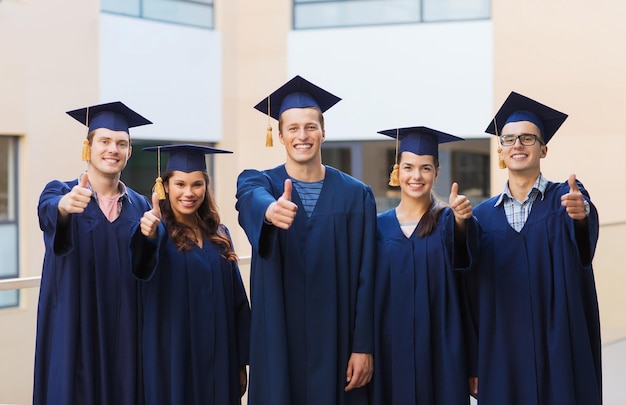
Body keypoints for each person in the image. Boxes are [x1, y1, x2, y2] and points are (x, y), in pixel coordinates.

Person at [235, 75, 377, 405]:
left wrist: (364, 345)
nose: (303, 136)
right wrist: (269, 211)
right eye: (294, 128)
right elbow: (249, 197)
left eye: (310, 127)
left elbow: (368, 277)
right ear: (280, 135)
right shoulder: (262, 184)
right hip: (279, 342)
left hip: (339, 344)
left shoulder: (357, 195)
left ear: (323, 132)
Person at [464, 92, 601, 404]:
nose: (518, 145)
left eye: (528, 138)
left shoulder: (565, 199)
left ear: (544, 148)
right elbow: (470, 295)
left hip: (558, 346)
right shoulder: (481, 217)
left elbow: (583, 242)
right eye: (509, 138)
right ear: (500, 149)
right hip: (503, 353)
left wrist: (582, 215)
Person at [34, 101, 153, 404]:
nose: (113, 149)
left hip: (125, 335)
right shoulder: (61, 191)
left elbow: (146, 266)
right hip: (76, 330)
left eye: (121, 143)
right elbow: (47, 211)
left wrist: (153, 236)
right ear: (88, 147)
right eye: (104, 141)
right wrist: (63, 208)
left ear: (128, 151)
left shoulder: (141, 206)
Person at [130, 144, 251, 405]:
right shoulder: (158, 232)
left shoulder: (219, 234)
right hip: (174, 359)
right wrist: (147, 236)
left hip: (220, 358)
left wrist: (241, 361)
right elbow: (140, 266)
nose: (189, 192)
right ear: (166, 187)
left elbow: (238, 302)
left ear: (206, 188)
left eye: (197, 184)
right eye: (180, 184)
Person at [369, 126, 479, 405]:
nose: (416, 176)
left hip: (441, 354)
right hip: (388, 354)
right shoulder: (376, 228)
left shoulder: (449, 223)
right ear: (397, 171)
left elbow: (468, 278)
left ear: (437, 172)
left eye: (425, 168)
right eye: (408, 167)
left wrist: (462, 222)